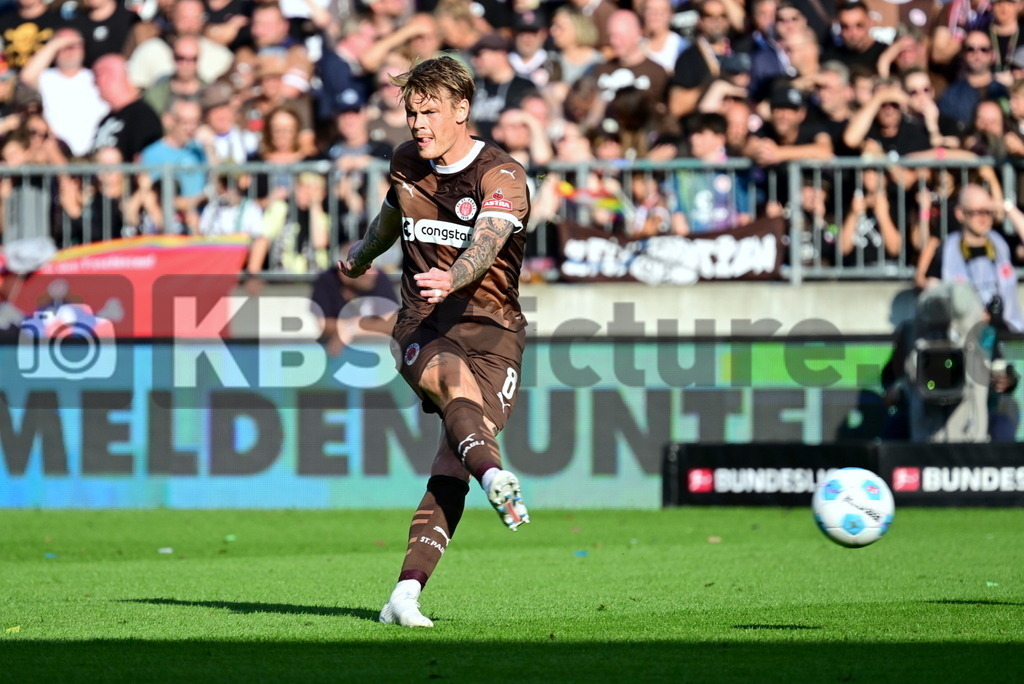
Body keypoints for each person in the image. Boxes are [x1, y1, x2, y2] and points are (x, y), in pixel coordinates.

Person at [338, 56, 532, 628]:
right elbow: (390, 218)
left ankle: (404, 594)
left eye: (429, 113)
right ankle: (497, 479)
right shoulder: (406, 162)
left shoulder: (502, 175)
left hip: (495, 330)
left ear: (461, 110)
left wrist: (455, 275)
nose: (418, 125)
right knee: (452, 388)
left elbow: (488, 241)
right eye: (411, 113)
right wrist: (361, 256)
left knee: (454, 458)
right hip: (423, 322)